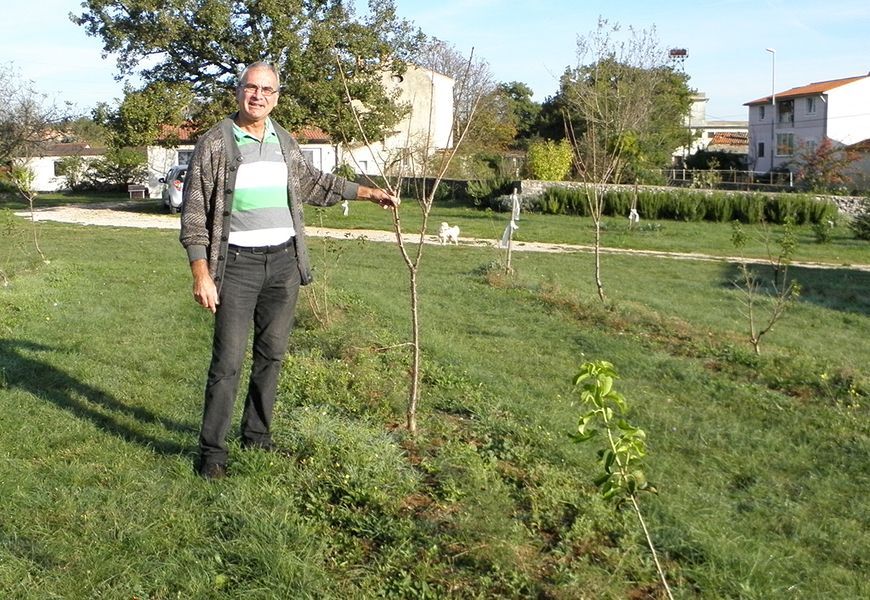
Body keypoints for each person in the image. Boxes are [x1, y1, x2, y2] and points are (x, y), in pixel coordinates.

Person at [180, 61, 399, 480]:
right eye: (251, 87)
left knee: (272, 356)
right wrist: (201, 273)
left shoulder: (284, 140)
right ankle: (212, 452)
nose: (258, 95)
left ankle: (257, 436)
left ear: (276, 97)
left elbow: (314, 182)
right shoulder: (215, 142)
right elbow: (193, 215)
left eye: (267, 90)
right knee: (227, 362)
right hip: (237, 267)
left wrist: (368, 192)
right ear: (238, 91)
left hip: (283, 263)